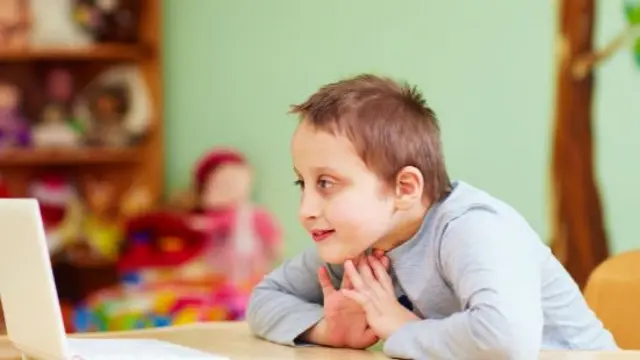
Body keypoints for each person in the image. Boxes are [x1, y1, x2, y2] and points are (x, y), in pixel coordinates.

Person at [246, 74, 618, 359]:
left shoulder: (472, 228)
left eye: (326, 183)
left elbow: (508, 338)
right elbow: (265, 299)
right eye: (302, 183)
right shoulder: (356, 243)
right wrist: (327, 330)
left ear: (405, 188)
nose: (306, 209)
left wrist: (400, 328)